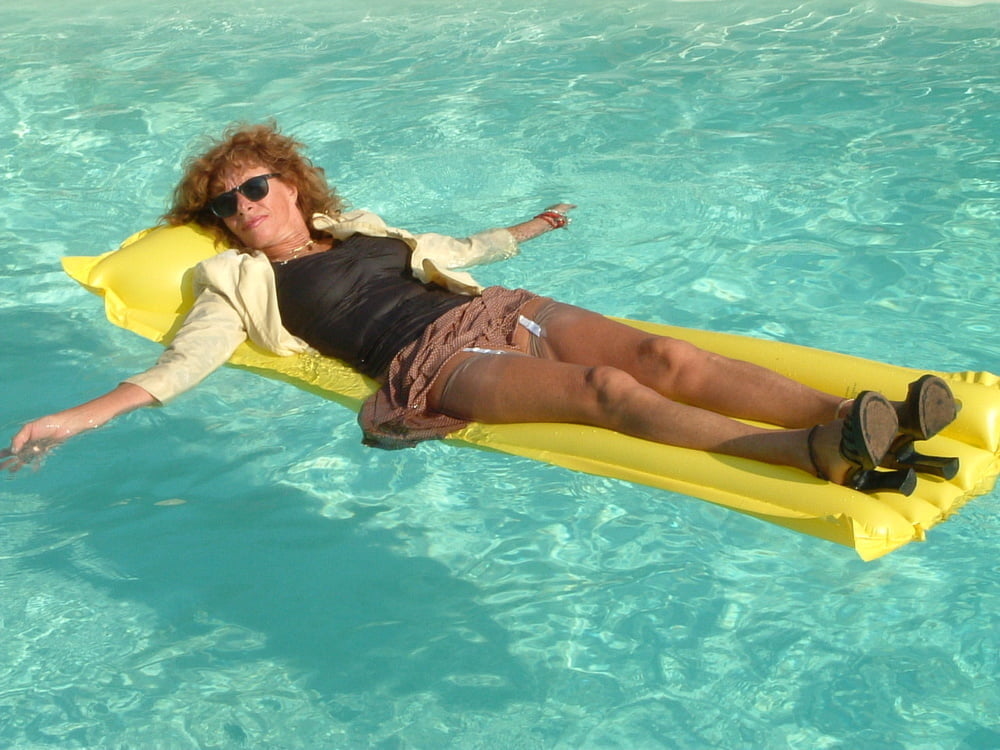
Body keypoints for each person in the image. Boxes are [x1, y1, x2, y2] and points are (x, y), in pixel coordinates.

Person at [2, 123, 959, 493]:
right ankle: (813, 453)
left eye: (254, 188)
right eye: (224, 205)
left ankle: (855, 421)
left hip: (494, 307)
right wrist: (76, 418)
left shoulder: (358, 222)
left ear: (289, 183)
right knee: (603, 390)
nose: (244, 210)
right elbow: (182, 364)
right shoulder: (236, 284)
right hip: (428, 365)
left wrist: (524, 231)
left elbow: (446, 251)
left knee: (659, 355)